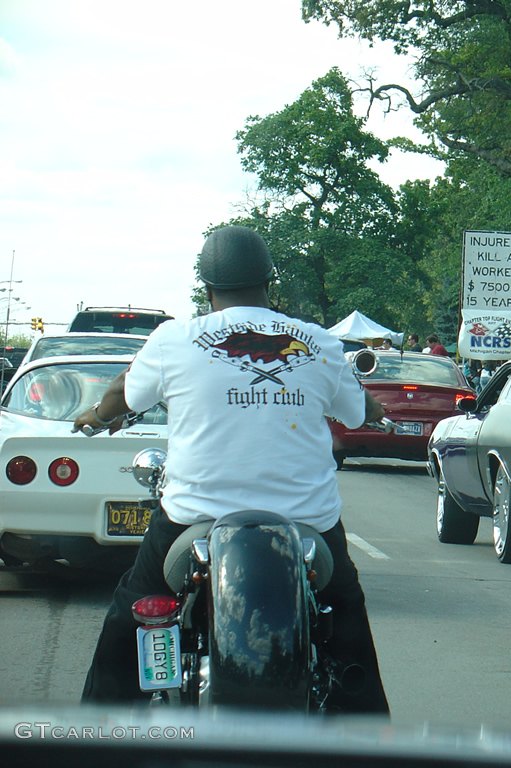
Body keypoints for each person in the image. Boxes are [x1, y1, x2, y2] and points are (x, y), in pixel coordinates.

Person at [74, 225, 390, 714]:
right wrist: (372, 410)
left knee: (131, 610)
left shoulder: (174, 339)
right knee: (345, 617)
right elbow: (357, 410)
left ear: (207, 288)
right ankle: (366, 735)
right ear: (270, 281)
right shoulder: (320, 343)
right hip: (307, 523)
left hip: (194, 517)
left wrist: (99, 415)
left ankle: (94, 734)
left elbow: (124, 393)